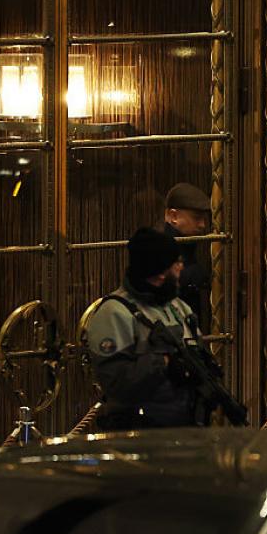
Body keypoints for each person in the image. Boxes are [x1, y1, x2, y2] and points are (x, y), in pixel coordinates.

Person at [85, 227, 209, 429]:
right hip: (139, 434)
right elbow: (116, 383)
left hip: (186, 428)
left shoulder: (178, 308)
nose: (181, 267)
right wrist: (164, 363)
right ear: (159, 274)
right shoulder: (115, 313)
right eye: (175, 263)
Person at [161, 182, 213, 326]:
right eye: (196, 218)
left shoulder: (189, 247)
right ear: (173, 216)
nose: (202, 225)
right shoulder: (160, 251)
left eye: (203, 219)